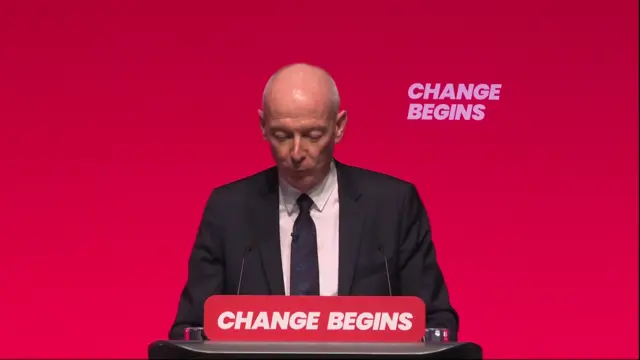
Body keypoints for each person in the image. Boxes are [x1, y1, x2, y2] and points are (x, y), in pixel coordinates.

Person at [168, 63, 459, 340]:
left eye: (312, 134)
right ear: (263, 126)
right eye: (282, 135)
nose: (296, 152)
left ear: (339, 126)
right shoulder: (229, 210)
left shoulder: (392, 206)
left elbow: (435, 321)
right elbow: (190, 329)